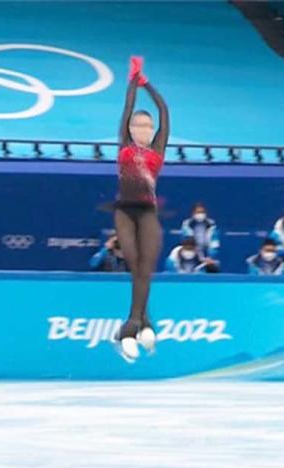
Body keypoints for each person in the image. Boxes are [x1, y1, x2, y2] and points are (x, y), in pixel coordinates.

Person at [113, 55, 169, 361]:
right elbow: (127, 105)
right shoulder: (123, 144)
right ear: (131, 128)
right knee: (134, 263)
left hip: (148, 211)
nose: (142, 129)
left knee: (144, 267)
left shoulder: (158, 148)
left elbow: (164, 110)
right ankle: (138, 323)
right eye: (137, 124)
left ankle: (134, 324)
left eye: (147, 126)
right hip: (124, 210)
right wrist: (133, 82)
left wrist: (147, 83)